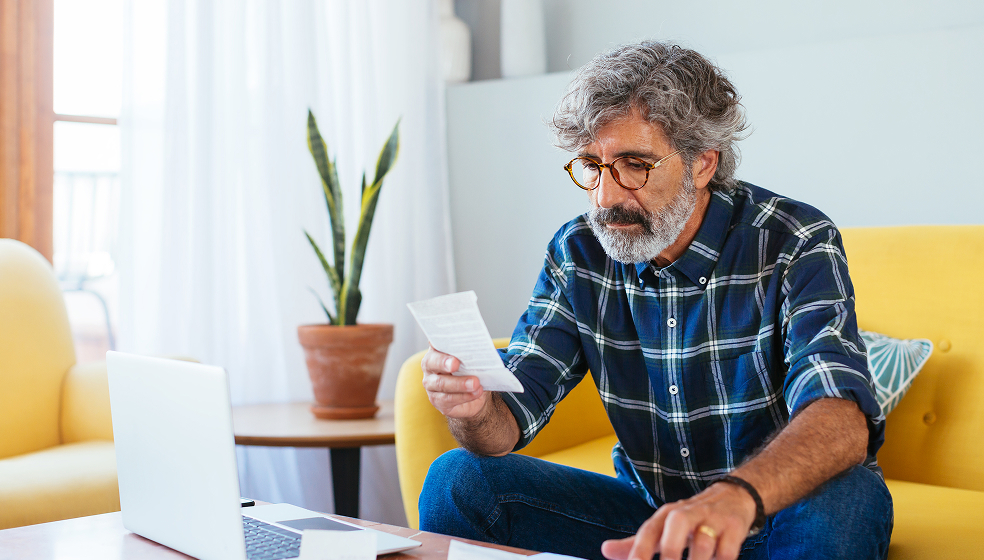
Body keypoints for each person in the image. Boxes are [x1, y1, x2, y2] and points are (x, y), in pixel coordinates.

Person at [417, 40, 892, 560]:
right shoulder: (578, 252)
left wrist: (735, 499)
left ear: (702, 164)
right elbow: (505, 424)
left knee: (851, 498)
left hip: (777, 512)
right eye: (592, 166)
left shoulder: (793, 239)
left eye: (634, 164)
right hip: (652, 521)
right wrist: (473, 407)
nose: (605, 197)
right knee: (458, 479)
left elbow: (842, 415)